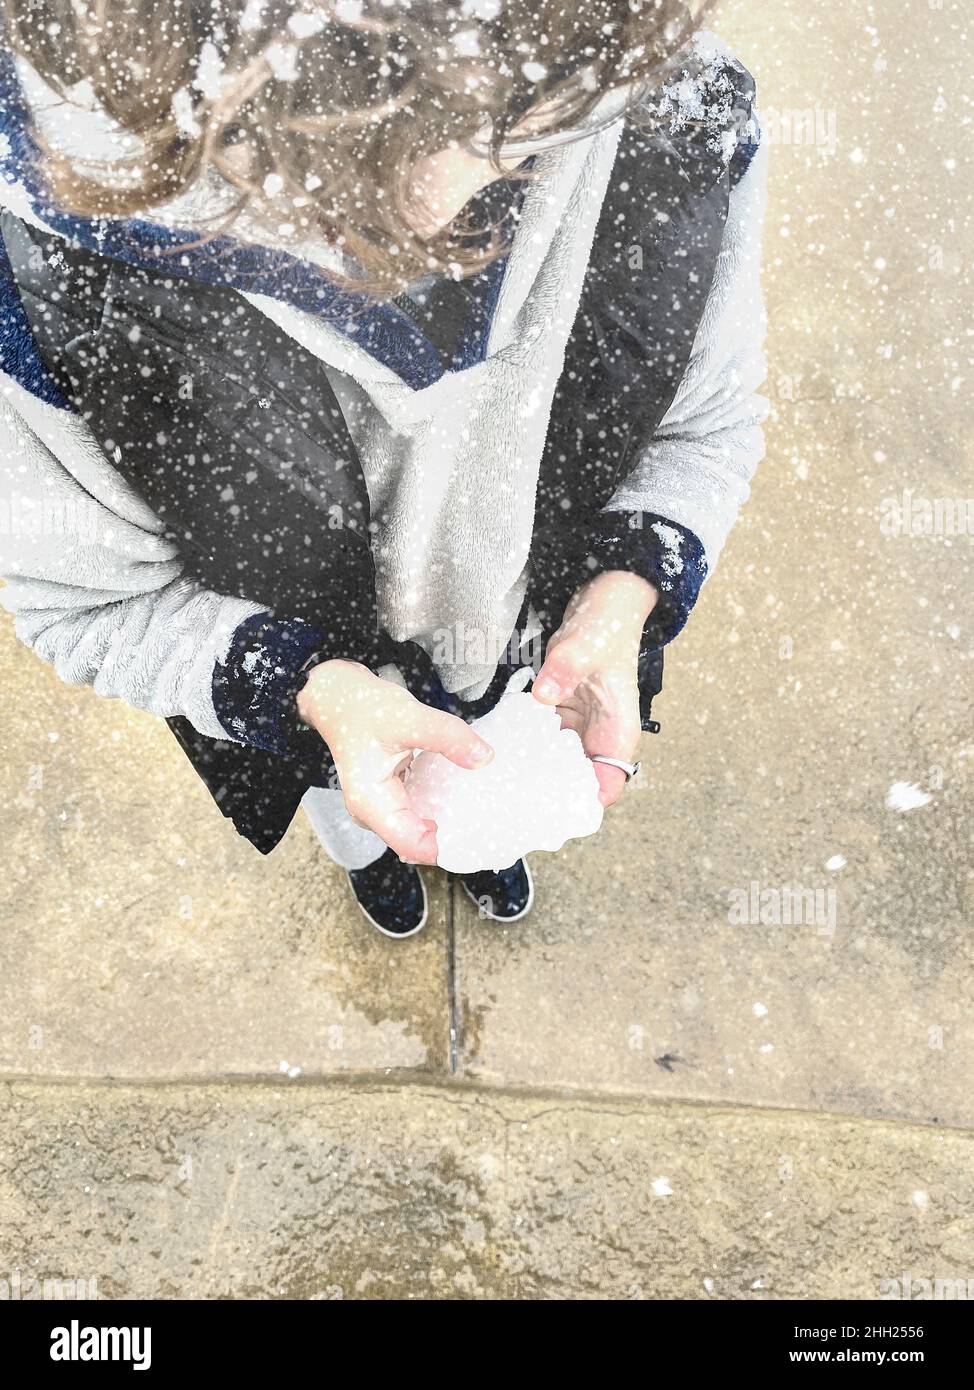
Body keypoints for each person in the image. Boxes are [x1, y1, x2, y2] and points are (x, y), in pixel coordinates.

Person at [0, 0, 768, 936]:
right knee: (359, 813)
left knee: (487, 791)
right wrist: (308, 692)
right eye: (365, 152)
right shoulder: (43, 283)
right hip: (323, 727)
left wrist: (629, 585)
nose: (455, 206)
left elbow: (703, 421)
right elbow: (87, 602)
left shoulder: (666, 102)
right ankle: (373, 867)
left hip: (523, 679)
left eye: (521, 129)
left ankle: (489, 850)